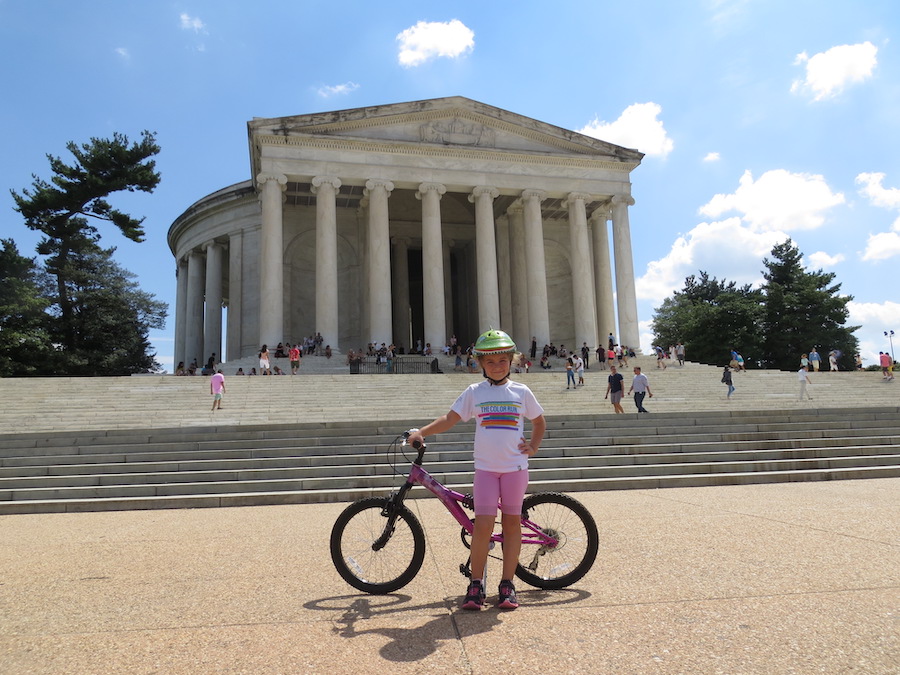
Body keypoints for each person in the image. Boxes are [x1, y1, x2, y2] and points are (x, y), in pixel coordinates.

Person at [407, 329, 545, 611]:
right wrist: (422, 431)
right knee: (482, 527)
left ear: (511, 360)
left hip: (514, 469)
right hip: (485, 469)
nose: (497, 366)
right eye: (490, 362)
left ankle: (507, 583)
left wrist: (532, 447)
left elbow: (539, 421)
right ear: (481, 364)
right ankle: (475, 583)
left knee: (511, 525)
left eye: (502, 360)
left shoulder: (521, 391)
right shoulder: (475, 392)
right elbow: (450, 418)